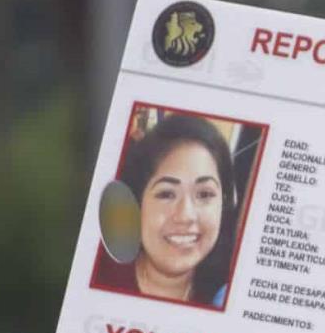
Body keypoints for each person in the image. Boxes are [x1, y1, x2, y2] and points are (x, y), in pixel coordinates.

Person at [93, 112, 237, 306]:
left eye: (204, 195)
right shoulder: (95, 273)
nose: (186, 215)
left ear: (224, 203)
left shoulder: (226, 297)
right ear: (137, 201)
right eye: (167, 194)